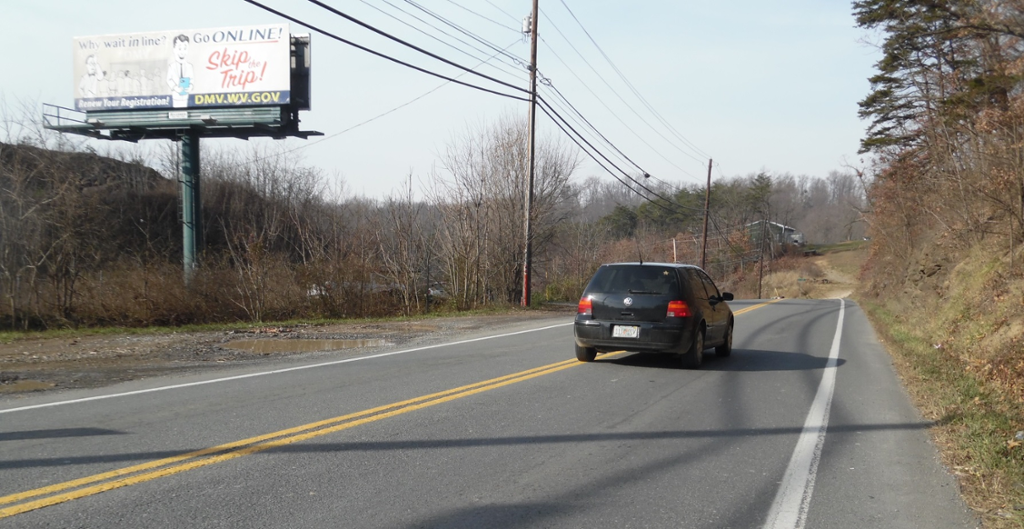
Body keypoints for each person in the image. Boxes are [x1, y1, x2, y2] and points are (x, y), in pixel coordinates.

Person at [166, 34, 194, 107]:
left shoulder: (189, 67)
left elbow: (192, 80)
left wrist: (190, 87)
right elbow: (169, 80)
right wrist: (176, 88)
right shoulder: (171, 66)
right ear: (174, 49)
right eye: (179, 48)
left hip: (186, 97)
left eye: (185, 48)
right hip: (176, 97)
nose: (182, 52)